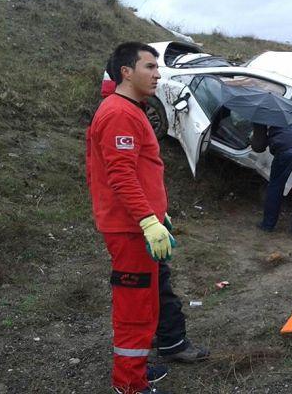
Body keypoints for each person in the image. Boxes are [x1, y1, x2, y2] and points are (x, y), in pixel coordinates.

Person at [99, 57, 209, 367]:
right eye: (150, 67)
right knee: (135, 304)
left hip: (141, 223)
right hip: (131, 228)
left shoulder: (131, 110)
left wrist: (158, 213)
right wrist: (148, 220)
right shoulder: (119, 113)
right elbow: (120, 175)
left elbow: (140, 171)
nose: (158, 75)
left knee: (157, 287)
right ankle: (131, 381)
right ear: (126, 72)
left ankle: (171, 341)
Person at [251, 118, 292, 236]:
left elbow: (258, 146)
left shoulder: (262, 113)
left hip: (288, 149)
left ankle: (268, 225)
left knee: (276, 186)